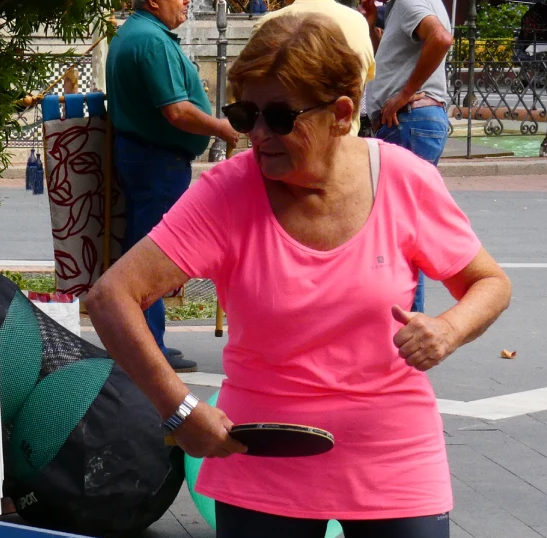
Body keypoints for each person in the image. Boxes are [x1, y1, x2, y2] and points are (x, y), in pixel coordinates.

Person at [86, 13, 510, 538]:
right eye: (244, 114)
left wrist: (449, 329)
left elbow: (489, 282)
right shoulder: (226, 193)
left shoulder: (405, 179)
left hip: (392, 450)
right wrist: (179, 410)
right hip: (262, 452)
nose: (257, 134)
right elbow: (112, 297)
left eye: (280, 116)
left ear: (340, 114)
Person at [105, 0, 240, 373]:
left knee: (145, 247)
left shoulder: (138, 33)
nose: (187, 2)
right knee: (151, 254)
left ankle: (149, 342)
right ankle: (144, 349)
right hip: (155, 159)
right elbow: (176, 110)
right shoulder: (151, 41)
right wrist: (221, 128)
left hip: (147, 156)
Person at [360, 0, 454, 313]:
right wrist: (374, 26)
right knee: (400, 230)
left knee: (400, 234)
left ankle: (406, 334)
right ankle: (405, 330)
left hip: (408, 120)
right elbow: (392, 62)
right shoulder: (406, 7)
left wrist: (403, 93)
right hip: (411, 122)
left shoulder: (411, 2)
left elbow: (440, 39)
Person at [254, 0, 376, 136]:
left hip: (282, 143)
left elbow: (244, 89)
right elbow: (364, 79)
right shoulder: (357, 21)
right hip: (344, 140)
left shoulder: (270, 24)